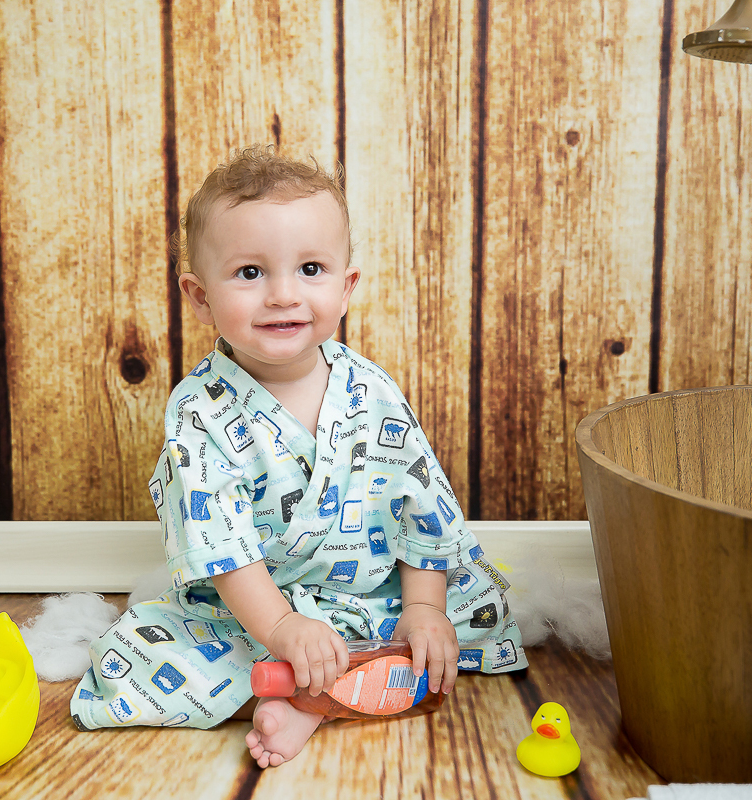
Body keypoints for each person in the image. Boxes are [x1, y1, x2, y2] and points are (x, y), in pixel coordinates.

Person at [69, 145, 524, 768]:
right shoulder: (199, 412)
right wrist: (283, 630)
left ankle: (311, 691)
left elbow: (422, 509)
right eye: (251, 273)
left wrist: (422, 610)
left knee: (461, 618)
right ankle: (312, 687)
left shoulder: (371, 390)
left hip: (370, 599)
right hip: (254, 609)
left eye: (311, 268)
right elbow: (220, 548)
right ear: (200, 297)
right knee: (138, 658)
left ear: (346, 287)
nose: (284, 295)